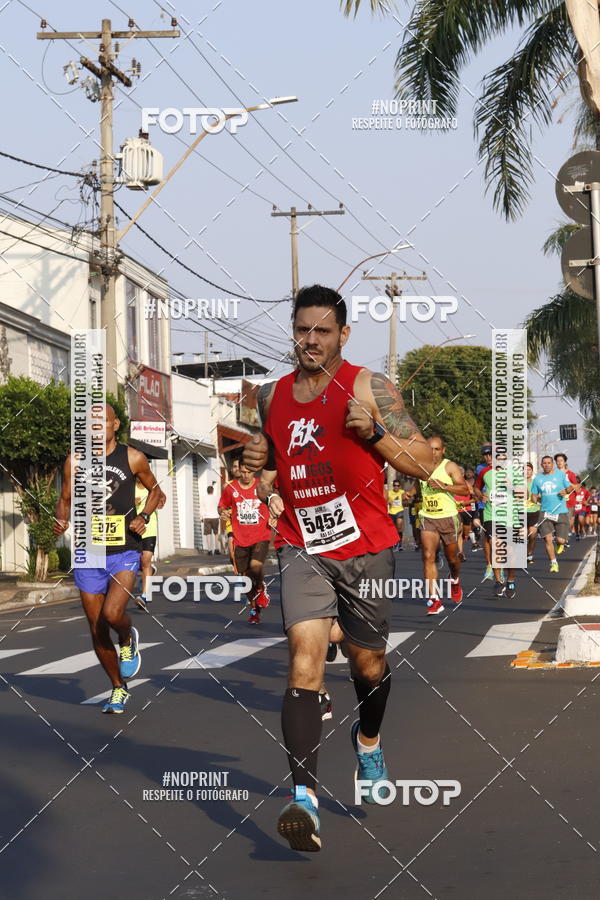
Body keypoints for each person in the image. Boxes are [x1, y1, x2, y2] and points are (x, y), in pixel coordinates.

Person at [243, 284, 434, 852]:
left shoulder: (369, 387)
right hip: (304, 545)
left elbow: (423, 463)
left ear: (343, 336)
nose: (311, 340)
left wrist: (373, 432)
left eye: (323, 331)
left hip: (368, 545)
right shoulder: (272, 397)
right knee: (304, 658)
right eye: (302, 329)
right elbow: (274, 465)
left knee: (368, 664)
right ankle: (303, 798)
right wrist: (258, 465)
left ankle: (368, 741)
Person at [53, 404, 163, 713]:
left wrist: (144, 515)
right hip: (88, 552)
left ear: (115, 424)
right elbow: (64, 501)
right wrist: (61, 520)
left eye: (102, 421)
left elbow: (155, 490)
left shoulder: (132, 457)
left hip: (124, 549)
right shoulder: (74, 462)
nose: (96, 427)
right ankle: (118, 687)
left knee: (113, 615)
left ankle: (127, 640)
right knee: (96, 626)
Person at [419, 436, 468, 614]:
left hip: (448, 517)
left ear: (443, 450)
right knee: (428, 555)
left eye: (437, 449)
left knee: (452, 560)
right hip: (428, 516)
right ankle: (434, 599)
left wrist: (444, 486)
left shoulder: (449, 466)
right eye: (430, 449)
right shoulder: (420, 466)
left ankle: (454, 580)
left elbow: (464, 489)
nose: (433, 452)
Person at [218, 463, 272, 624]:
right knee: (246, 578)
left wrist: (275, 514)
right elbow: (222, 506)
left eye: (249, 472)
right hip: (240, 538)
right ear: (238, 471)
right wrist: (223, 512)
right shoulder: (231, 489)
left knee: (256, 566)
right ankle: (254, 608)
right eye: (243, 472)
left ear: (254, 471)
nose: (246, 475)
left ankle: (261, 587)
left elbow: (274, 499)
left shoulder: (261, 486)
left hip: (261, 535)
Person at [474, 452, 524, 599]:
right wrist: (480, 495)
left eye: (498, 457)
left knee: (509, 553)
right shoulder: (484, 472)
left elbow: (524, 494)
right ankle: (497, 581)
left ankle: (511, 580)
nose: (492, 459)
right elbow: (475, 487)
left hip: (510, 517)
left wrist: (512, 486)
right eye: (491, 457)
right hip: (491, 515)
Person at [530, 455, 573, 574]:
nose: (547, 465)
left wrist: (565, 491)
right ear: (541, 465)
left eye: (549, 463)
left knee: (560, 540)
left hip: (560, 511)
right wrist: (535, 500)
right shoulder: (538, 479)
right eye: (544, 463)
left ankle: (561, 543)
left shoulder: (560, 474)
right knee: (547, 539)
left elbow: (570, 488)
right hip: (545, 512)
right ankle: (553, 562)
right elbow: (533, 494)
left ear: (552, 464)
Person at [134, 478, 166, 610]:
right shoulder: (129, 487)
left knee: (146, 559)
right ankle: (149, 571)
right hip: (133, 527)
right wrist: (132, 502)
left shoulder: (152, 486)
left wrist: (160, 501)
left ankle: (144, 596)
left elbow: (162, 497)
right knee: (138, 561)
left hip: (149, 527)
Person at [475, 444, 494, 579]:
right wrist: (481, 496)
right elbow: (475, 488)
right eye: (485, 455)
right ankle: (490, 565)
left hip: (503, 508)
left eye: (491, 454)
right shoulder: (480, 469)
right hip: (485, 507)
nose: (488, 457)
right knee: (488, 537)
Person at [554, 453, 580, 537]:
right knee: (557, 520)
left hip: (569, 501)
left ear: (565, 462)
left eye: (561, 460)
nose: (559, 462)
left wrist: (571, 487)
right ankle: (560, 536)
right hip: (556, 500)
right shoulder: (553, 473)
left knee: (566, 520)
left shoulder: (571, 474)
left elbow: (576, 487)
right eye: (557, 461)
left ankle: (564, 536)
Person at [526, 461, 540, 563]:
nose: (526, 472)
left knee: (532, 535)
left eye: (529, 470)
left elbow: (542, 494)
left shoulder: (536, 482)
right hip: (520, 512)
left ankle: (529, 554)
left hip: (534, 511)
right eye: (524, 470)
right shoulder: (516, 482)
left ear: (532, 471)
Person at [201, 484, 220, 555]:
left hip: (207, 517)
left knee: (208, 533)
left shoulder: (204, 498)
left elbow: (202, 508)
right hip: (215, 516)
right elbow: (219, 507)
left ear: (207, 491)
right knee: (216, 533)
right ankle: (217, 549)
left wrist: (201, 517)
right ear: (213, 491)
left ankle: (209, 550)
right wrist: (219, 515)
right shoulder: (216, 498)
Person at [387, 478, 406, 549]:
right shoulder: (389, 493)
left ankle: (400, 543)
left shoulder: (402, 492)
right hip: (391, 512)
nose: (396, 487)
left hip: (399, 511)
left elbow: (406, 500)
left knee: (399, 527)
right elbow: (386, 501)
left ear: (399, 486)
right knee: (393, 529)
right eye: (395, 485)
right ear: (393, 486)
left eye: (398, 486)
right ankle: (393, 542)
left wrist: (405, 502)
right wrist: (388, 501)